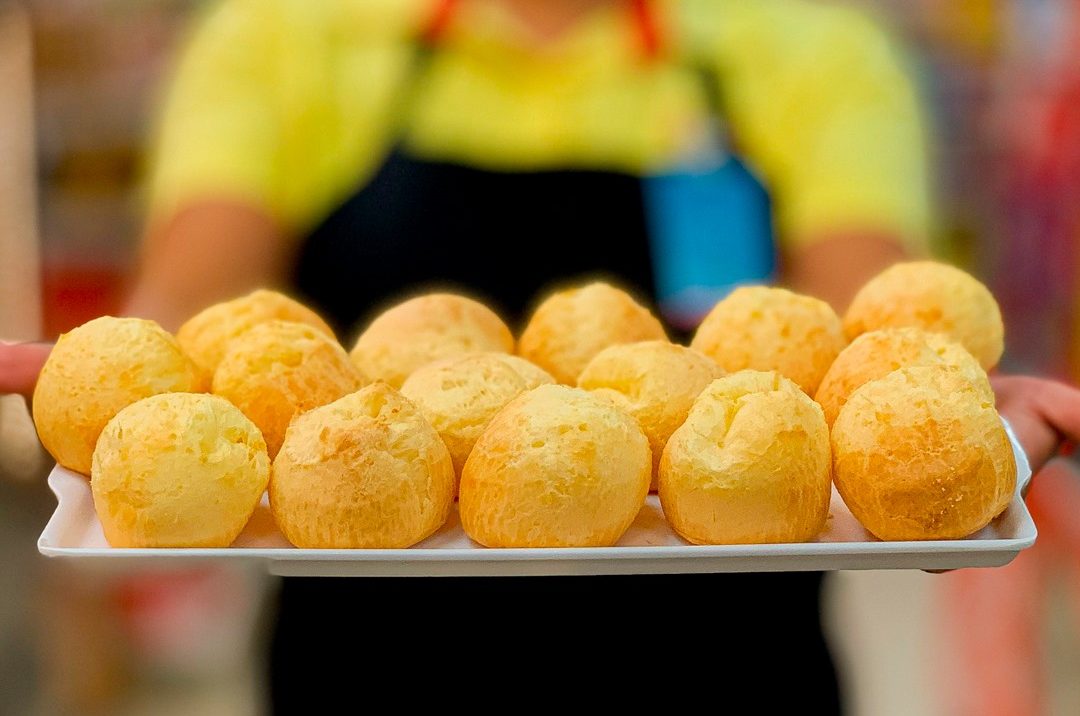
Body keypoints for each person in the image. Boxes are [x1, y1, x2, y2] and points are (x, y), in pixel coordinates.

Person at [4, 0, 1080, 712]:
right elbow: (194, 300)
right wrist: (112, 389)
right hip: (370, 646)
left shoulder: (808, 43)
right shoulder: (287, 34)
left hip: (726, 654)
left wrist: (941, 432)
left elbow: (864, 312)